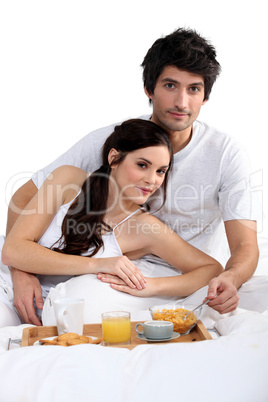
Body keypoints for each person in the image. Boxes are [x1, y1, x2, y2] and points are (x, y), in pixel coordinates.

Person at [5, 27, 259, 326]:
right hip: (95, 258)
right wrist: (22, 272)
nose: (181, 102)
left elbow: (244, 246)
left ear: (205, 97)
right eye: (170, 85)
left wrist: (229, 277)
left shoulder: (226, 154)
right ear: (149, 89)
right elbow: (23, 200)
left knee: (72, 304)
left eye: (194, 89)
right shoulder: (112, 140)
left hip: (168, 271)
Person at [0, 119, 223, 327]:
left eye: (160, 171)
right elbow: (13, 250)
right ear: (114, 158)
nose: (152, 180)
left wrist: (153, 286)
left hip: (54, 309)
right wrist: (97, 264)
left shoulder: (145, 228)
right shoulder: (68, 180)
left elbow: (211, 269)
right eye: (143, 165)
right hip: (8, 283)